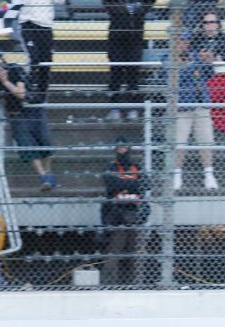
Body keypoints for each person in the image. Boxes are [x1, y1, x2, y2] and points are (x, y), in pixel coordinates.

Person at [0, 60, 58, 191]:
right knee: (28, 147)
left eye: (0, 67)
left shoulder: (14, 69)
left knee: (46, 143)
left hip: (32, 109)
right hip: (16, 114)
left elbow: (21, 94)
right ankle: (44, 178)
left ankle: (48, 173)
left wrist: (6, 82)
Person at [99, 136, 149, 284]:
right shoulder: (111, 167)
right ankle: (110, 282)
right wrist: (133, 183)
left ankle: (137, 282)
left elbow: (146, 184)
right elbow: (111, 185)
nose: (122, 150)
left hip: (135, 213)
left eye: (124, 147)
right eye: (119, 147)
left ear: (129, 149)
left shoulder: (137, 167)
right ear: (115, 149)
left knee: (137, 251)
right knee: (115, 249)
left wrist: (123, 184)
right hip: (117, 214)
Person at [170, 42, 218, 191]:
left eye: (185, 41)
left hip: (201, 104)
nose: (183, 45)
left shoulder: (196, 57)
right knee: (179, 142)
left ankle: (209, 174)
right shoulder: (168, 58)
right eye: (180, 41)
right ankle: (177, 175)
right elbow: (175, 77)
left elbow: (209, 74)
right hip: (182, 106)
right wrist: (195, 64)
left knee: (206, 140)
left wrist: (208, 61)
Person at [104, 0, 154, 122]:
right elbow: (109, 4)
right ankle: (114, 108)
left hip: (135, 37)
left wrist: (137, 10)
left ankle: (133, 108)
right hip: (117, 38)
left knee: (133, 72)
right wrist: (129, 10)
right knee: (116, 71)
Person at [16, 0, 56, 96]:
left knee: (46, 61)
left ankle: (42, 92)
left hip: (46, 26)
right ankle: (25, 87)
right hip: (28, 24)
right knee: (34, 58)